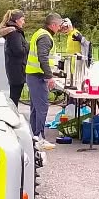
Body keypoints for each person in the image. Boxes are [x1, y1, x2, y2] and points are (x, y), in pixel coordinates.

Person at [25, 13, 65, 150]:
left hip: (33, 74)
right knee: (42, 107)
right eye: (59, 25)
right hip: (38, 76)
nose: (59, 28)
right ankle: (39, 138)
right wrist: (49, 77)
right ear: (53, 25)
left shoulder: (39, 33)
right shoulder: (45, 38)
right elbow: (43, 57)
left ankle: (34, 137)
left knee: (36, 108)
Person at [0, 9, 28, 108]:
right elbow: (19, 51)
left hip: (13, 68)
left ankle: (13, 115)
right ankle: (13, 116)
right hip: (17, 69)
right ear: (17, 20)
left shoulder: (12, 32)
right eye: (22, 19)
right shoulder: (15, 33)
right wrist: (29, 46)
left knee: (14, 95)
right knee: (14, 97)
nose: (24, 22)